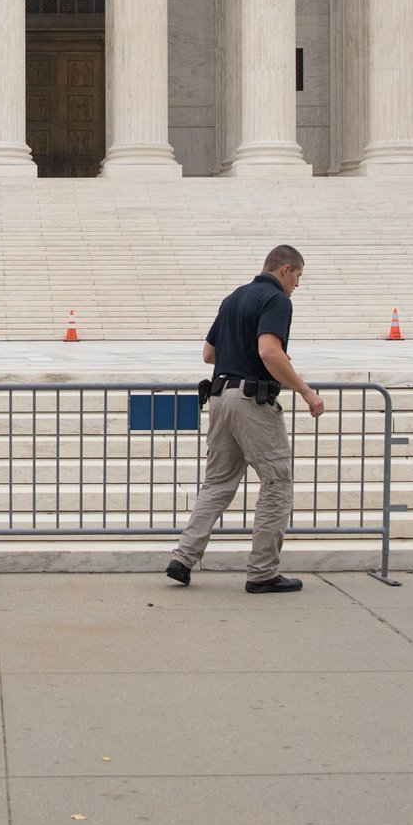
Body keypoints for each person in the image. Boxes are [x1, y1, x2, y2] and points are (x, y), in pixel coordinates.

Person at [166, 245, 322, 594]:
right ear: (285, 269)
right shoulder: (277, 300)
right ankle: (263, 572)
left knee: (217, 483)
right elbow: (269, 351)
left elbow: (209, 354)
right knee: (277, 482)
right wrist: (307, 392)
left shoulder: (233, 298)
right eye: (298, 276)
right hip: (252, 402)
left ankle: (183, 558)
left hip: (220, 398)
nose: (297, 284)